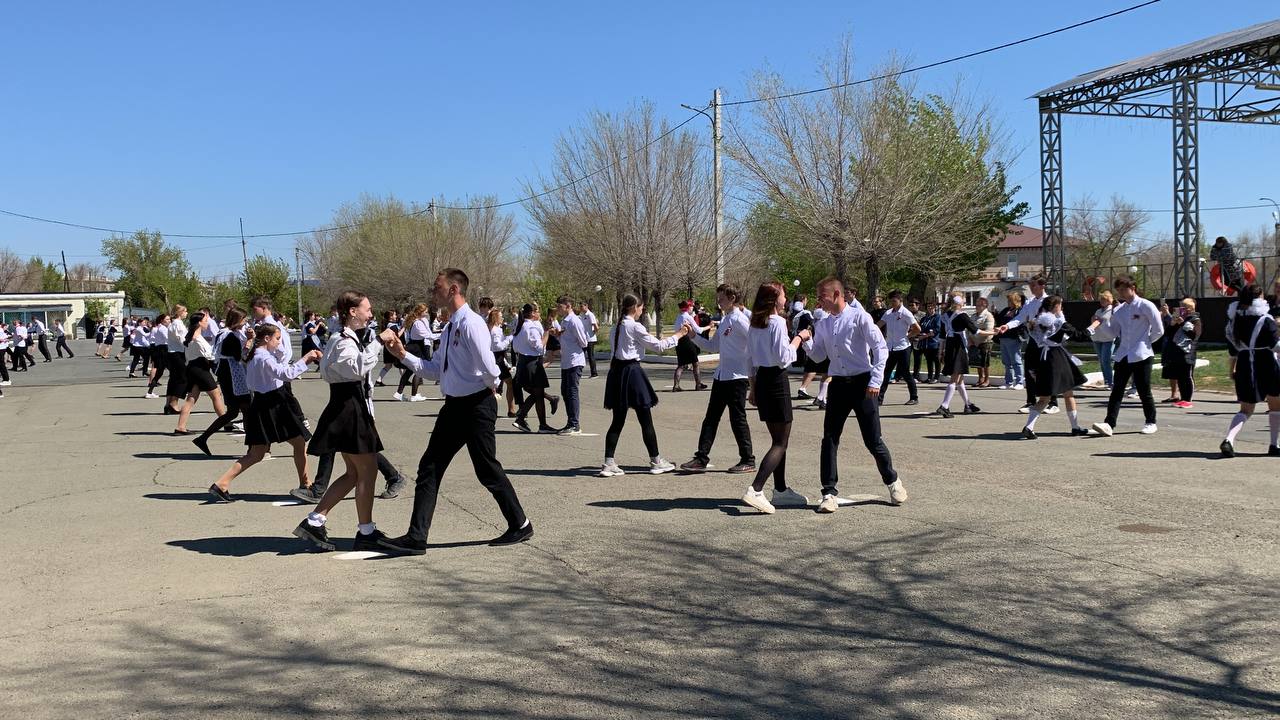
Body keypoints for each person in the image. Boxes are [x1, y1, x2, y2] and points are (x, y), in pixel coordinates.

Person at [376, 268, 535, 554]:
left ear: (453, 290)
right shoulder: (450, 327)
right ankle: (416, 537)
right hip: (454, 407)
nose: (433, 292)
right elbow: (435, 369)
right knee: (430, 467)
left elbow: (490, 366)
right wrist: (402, 354)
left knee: (486, 469)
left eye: (437, 287)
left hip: (476, 405)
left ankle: (520, 524)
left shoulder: (472, 323)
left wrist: (492, 390)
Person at [292, 291, 389, 551]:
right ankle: (366, 531)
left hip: (348, 405)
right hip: (350, 407)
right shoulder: (343, 340)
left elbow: (330, 370)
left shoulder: (341, 338)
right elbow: (357, 368)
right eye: (367, 309)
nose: (371, 314)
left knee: (354, 473)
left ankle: (315, 520)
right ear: (353, 312)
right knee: (367, 472)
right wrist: (378, 341)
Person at [801, 276, 906, 513]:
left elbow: (880, 348)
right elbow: (818, 356)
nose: (819, 302)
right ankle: (828, 492)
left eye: (822, 297)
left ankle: (892, 481)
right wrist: (805, 342)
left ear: (837, 294)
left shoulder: (859, 317)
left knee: (873, 439)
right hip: (838, 384)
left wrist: (876, 380)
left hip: (863, 383)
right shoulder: (824, 324)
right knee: (829, 438)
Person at [208, 323, 322, 502]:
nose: (279, 342)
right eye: (277, 339)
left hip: (263, 404)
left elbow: (280, 358)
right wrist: (306, 358)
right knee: (296, 444)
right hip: (273, 405)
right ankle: (305, 484)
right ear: (267, 339)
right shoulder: (263, 358)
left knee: (259, 452)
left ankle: (222, 484)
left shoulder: (257, 354)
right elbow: (286, 374)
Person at [597, 293, 690, 477]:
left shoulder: (617, 327)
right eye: (640, 308)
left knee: (618, 420)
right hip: (631, 372)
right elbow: (658, 346)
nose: (641, 311)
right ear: (634, 308)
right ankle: (656, 461)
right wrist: (679, 334)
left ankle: (609, 462)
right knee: (645, 418)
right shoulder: (634, 326)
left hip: (617, 372)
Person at [740, 282, 813, 514]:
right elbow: (784, 358)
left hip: (762, 379)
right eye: (783, 296)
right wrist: (799, 338)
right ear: (774, 300)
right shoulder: (778, 322)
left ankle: (780, 490)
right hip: (776, 379)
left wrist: (753, 388)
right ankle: (756, 489)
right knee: (780, 442)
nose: (786, 300)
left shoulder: (755, 324)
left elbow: (749, 360)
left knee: (779, 440)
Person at [680, 283, 755, 474]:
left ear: (732, 298)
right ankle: (701, 458)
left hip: (737, 377)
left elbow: (754, 341)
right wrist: (693, 336)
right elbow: (713, 346)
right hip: (722, 376)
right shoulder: (725, 320)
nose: (718, 302)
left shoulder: (739, 319)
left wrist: (754, 371)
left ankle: (748, 459)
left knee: (737, 419)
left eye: (722, 298)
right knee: (711, 418)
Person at [1089, 275, 1163, 437]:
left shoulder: (1146, 305)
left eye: (1124, 288)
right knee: (1117, 390)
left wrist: (1146, 343)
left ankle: (1151, 422)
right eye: (1119, 290)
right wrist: (1099, 325)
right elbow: (1113, 332)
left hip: (1142, 355)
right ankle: (1109, 424)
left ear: (1133, 288)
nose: (1121, 292)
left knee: (1144, 390)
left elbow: (1159, 329)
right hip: (1123, 354)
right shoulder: (1119, 310)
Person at [1219, 284, 1280, 457]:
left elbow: (1233, 348)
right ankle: (1274, 445)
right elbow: (1275, 345)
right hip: (1266, 363)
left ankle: (1229, 440)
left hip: (1245, 363)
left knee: (1245, 409)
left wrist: (1232, 368)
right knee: (1276, 405)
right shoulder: (1266, 319)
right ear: (1258, 298)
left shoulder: (1235, 320)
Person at [1020, 296, 1089, 439]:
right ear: (1055, 307)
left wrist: (1033, 369)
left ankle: (1029, 426)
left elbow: (1033, 348)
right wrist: (1094, 325)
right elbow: (1080, 335)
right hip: (1057, 360)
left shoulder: (1037, 324)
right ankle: (1075, 427)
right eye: (1060, 305)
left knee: (1044, 398)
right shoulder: (1059, 323)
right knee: (1068, 394)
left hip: (1043, 361)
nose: (1061, 308)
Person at [192, 309, 251, 456]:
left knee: (232, 412)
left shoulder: (222, 332)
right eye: (243, 320)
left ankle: (203, 437)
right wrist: (249, 342)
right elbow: (239, 356)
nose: (245, 323)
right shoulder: (230, 336)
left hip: (226, 373)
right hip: (233, 374)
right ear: (237, 319)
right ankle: (252, 447)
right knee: (246, 409)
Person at [995, 277, 1057, 413]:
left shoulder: (1051, 301)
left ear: (1042, 285)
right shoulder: (1030, 303)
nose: (1031, 288)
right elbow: (1020, 318)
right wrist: (1007, 325)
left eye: (1034, 285)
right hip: (1033, 340)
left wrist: (1039, 323)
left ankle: (1053, 403)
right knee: (1029, 369)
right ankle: (1030, 402)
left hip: (1047, 342)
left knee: (1047, 372)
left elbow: (1058, 320)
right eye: (1030, 285)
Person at [934, 295, 992, 418]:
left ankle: (968, 404)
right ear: (960, 304)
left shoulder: (945, 316)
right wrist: (994, 332)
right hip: (958, 346)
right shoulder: (962, 315)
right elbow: (976, 331)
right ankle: (944, 406)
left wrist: (940, 352)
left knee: (960, 380)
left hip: (950, 346)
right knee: (955, 378)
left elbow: (942, 337)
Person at [173, 312, 227, 435]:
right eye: (205, 321)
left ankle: (180, 427)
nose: (207, 323)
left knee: (191, 399)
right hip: (200, 369)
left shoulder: (189, 337)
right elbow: (210, 355)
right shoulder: (197, 338)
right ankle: (225, 421)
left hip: (192, 368)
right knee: (216, 395)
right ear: (199, 323)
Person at [510, 302, 560, 433]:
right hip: (531, 362)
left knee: (536, 394)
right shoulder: (530, 327)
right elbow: (539, 346)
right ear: (532, 313)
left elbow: (515, 346)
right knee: (537, 394)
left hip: (524, 361)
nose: (539, 313)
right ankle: (535, 422)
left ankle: (525, 419)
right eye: (537, 311)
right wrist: (547, 332)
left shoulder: (521, 326)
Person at [551, 295, 589, 435]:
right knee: (565, 392)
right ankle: (570, 422)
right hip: (566, 361)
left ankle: (574, 424)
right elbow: (566, 337)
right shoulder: (564, 321)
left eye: (560, 306)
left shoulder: (574, 321)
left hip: (575, 361)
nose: (558, 309)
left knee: (572, 392)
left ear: (568, 306)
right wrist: (558, 334)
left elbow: (583, 341)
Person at [877, 290, 920, 406]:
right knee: (886, 373)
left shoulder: (906, 313)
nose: (893, 303)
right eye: (891, 301)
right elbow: (879, 325)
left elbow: (917, 329)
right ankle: (879, 399)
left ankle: (914, 397)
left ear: (900, 301)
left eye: (895, 301)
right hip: (890, 347)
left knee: (905, 373)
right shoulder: (888, 313)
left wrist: (908, 336)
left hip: (903, 347)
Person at [1160, 297, 1201, 409]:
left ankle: (1188, 399)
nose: (1180, 309)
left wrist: (1184, 324)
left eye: (1183, 307)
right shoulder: (1178, 319)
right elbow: (1168, 333)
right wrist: (1173, 323)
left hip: (1188, 351)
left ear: (1189, 309)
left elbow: (1195, 335)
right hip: (1176, 352)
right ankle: (1183, 398)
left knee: (1187, 376)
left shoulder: (1195, 319)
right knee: (1180, 376)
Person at [395, 305, 434, 402]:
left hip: (414, 346)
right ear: (421, 312)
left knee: (409, 370)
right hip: (417, 347)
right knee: (419, 369)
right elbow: (427, 335)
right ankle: (414, 395)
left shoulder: (417, 321)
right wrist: (442, 335)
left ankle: (399, 393)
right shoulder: (418, 323)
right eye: (425, 312)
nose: (427, 313)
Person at [672, 300, 706, 392]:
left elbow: (675, 329)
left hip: (679, 341)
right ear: (687, 308)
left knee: (681, 365)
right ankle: (698, 384)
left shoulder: (678, 317)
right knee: (695, 363)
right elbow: (698, 330)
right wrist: (709, 326)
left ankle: (676, 385)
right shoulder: (688, 317)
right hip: (687, 340)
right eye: (690, 306)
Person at [1086, 290, 1118, 389]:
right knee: (1102, 361)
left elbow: (1112, 324)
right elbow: (1094, 323)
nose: (1102, 301)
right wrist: (1093, 321)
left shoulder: (1113, 310)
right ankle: (1107, 380)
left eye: (1104, 299)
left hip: (1108, 339)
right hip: (1097, 339)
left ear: (1109, 300)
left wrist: (1101, 322)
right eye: (1101, 300)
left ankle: (1110, 382)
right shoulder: (1098, 311)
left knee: (1106, 360)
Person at [164, 305, 189, 415]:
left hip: (172, 353)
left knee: (173, 379)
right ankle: (174, 403)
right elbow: (182, 340)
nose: (186, 313)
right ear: (179, 312)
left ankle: (168, 404)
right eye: (185, 311)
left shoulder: (173, 324)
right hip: (178, 354)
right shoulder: (178, 324)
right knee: (183, 379)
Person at [970, 297, 995, 387]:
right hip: (974, 342)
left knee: (985, 362)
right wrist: (971, 339)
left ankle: (987, 380)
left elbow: (988, 329)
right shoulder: (973, 316)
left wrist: (977, 330)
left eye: (979, 305)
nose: (977, 307)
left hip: (985, 342)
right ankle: (980, 378)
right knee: (977, 362)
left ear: (985, 306)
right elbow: (969, 328)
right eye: (976, 305)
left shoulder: (988, 315)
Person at [144, 314, 170, 399]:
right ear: (162, 320)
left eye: (169, 319)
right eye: (167, 319)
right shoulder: (162, 329)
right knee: (173, 371)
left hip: (161, 350)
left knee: (160, 372)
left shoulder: (160, 328)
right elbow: (168, 339)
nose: (169, 321)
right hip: (163, 350)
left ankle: (150, 392)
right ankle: (172, 392)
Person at [917, 301, 942, 382]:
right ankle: (929, 377)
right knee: (929, 360)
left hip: (934, 342)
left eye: (932, 306)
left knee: (936, 359)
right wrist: (920, 335)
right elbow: (921, 328)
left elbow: (937, 329)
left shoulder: (937, 317)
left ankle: (936, 377)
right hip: (925, 343)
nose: (930, 308)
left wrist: (926, 335)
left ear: (935, 308)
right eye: (928, 307)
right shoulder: (924, 318)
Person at [580, 301, 600, 378]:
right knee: (580, 355)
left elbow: (596, 326)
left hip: (590, 339)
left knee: (590, 356)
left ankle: (594, 373)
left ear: (586, 306)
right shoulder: (582, 315)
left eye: (582, 306)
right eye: (580, 307)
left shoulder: (590, 314)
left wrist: (593, 332)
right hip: (584, 339)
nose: (581, 308)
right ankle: (578, 372)